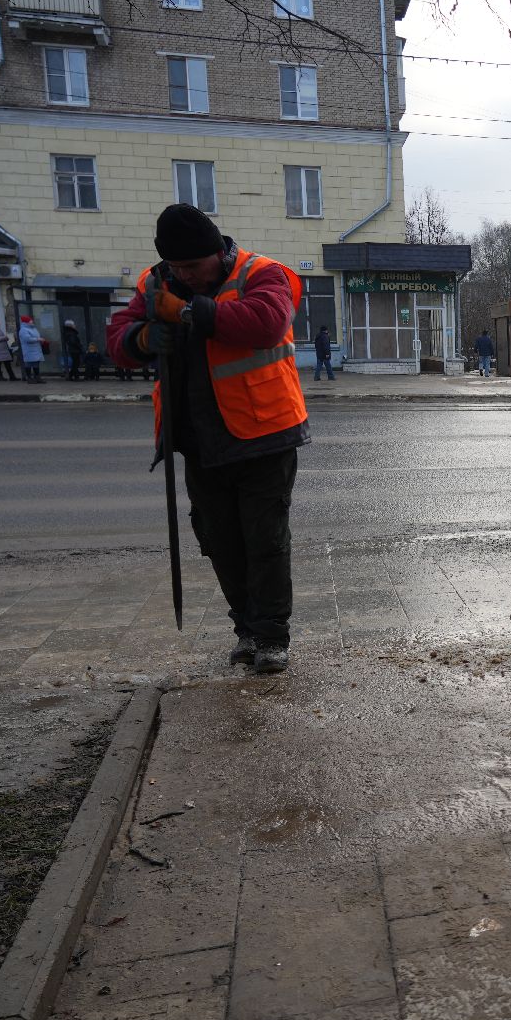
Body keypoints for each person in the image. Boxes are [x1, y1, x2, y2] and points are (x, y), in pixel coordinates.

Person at [107, 203, 309, 675]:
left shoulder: (263, 273)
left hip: (265, 433)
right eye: (177, 267)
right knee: (220, 541)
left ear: (217, 253)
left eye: (193, 267)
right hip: (199, 440)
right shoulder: (155, 283)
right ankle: (246, 629)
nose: (185, 275)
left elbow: (266, 323)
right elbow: (118, 337)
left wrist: (189, 312)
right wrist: (141, 339)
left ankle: (272, 637)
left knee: (265, 541)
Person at [17, 315, 45, 383]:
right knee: (29, 364)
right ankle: (29, 378)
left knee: (36, 363)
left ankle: (37, 377)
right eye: (30, 321)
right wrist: (38, 339)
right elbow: (27, 339)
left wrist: (40, 340)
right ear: (26, 322)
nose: (32, 321)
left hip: (36, 349)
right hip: (28, 350)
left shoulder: (33, 328)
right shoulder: (23, 330)